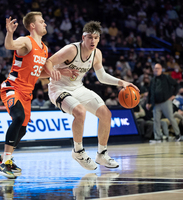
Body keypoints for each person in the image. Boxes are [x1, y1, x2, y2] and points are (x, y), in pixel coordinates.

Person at [45, 21, 139, 170]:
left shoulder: (97, 53)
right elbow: (48, 62)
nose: (93, 41)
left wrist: (123, 83)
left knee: (106, 114)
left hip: (78, 88)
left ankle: (102, 154)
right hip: (58, 88)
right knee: (80, 112)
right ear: (83, 37)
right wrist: (55, 72)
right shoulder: (71, 50)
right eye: (90, 37)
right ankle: (78, 151)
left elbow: (101, 76)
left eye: (96, 38)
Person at [0, 12, 67, 179]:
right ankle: (5, 163)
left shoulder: (44, 48)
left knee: (23, 129)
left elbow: (37, 73)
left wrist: (58, 72)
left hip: (27, 92)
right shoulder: (26, 41)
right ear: (33, 25)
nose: (45, 24)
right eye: (42, 21)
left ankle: (4, 158)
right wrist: (10, 33)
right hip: (12, 87)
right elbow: (10, 45)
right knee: (18, 117)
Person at [146, 63, 183, 142]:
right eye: (155, 68)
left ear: (161, 69)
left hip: (166, 101)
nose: (156, 70)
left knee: (171, 118)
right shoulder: (152, 80)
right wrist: (148, 102)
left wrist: (174, 95)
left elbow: (176, 85)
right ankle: (158, 137)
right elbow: (150, 92)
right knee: (156, 120)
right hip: (156, 103)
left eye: (158, 68)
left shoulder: (166, 77)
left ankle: (178, 135)